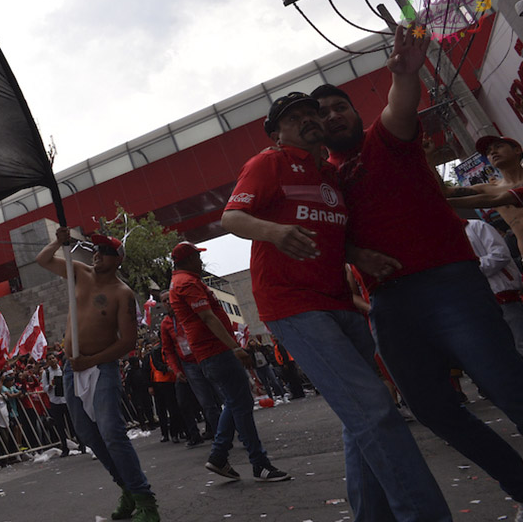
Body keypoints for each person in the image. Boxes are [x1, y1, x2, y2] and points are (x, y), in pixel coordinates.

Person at [317, 24, 523, 520]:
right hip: (389, 304)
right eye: (320, 115)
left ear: (352, 111)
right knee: (431, 410)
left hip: (449, 283)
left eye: (338, 106)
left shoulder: (384, 140)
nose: (332, 116)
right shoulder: (320, 182)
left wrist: (406, 74)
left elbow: (399, 104)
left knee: (507, 386)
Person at [220, 90, 450, 519]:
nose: (309, 120)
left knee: (360, 417)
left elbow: (333, 235)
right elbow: (231, 218)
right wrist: (273, 232)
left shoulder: (329, 175)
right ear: (275, 133)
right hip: (294, 305)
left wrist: (359, 256)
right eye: (295, 118)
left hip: (340, 304)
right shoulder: (268, 163)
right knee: (376, 411)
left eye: (312, 114)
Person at [36, 230, 160, 521]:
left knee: (112, 432)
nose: (97, 253)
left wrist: (92, 359)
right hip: (71, 367)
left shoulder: (123, 293)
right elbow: (43, 260)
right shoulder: (79, 272)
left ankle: (145, 499)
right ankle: (126, 488)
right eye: (95, 248)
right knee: (87, 433)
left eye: (104, 250)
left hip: (102, 367)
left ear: (117, 259)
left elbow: (128, 342)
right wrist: (58, 240)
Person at [168, 241, 290, 483]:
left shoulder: (183, 282)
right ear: (188, 260)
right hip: (217, 352)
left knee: (236, 403)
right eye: (197, 257)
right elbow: (207, 317)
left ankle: (219, 456)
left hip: (212, 353)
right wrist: (235, 348)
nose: (201, 262)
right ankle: (259, 464)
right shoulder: (188, 283)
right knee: (241, 406)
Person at [445, 136, 523, 254]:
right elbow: (445, 191)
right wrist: (428, 158)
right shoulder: (490, 188)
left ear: (517, 150)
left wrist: (444, 202)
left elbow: (493, 199)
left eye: (499, 146)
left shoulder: (494, 193)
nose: (493, 152)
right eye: (488, 151)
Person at [158, 290, 216, 446]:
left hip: (203, 358)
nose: (168, 302)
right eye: (164, 301)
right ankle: (195, 434)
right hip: (186, 365)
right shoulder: (165, 324)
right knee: (186, 402)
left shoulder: (188, 313)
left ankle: (217, 431)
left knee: (210, 399)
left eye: (169, 299)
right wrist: (176, 370)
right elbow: (168, 350)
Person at [463, 217, 523, 356]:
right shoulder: (444, 239)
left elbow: (500, 255)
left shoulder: (475, 226)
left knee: (518, 343)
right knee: (499, 350)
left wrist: (469, 269)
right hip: (477, 302)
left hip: (502, 295)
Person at [41, 352, 80, 456]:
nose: (52, 360)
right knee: (60, 426)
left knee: (73, 422)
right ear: (47, 362)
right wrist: (51, 385)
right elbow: (44, 388)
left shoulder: (62, 369)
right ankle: (65, 448)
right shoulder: (46, 373)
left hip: (65, 400)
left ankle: (82, 444)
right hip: (55, 401)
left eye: (53, 358)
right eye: (50, 359)